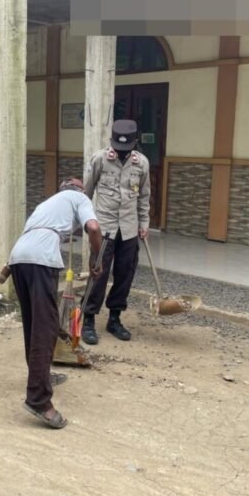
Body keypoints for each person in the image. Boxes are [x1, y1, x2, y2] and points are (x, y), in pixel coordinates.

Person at [8, 178, 103, 429]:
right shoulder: (79, 198)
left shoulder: (46, 205)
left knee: (33, 322)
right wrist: (95, 259)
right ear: (80, 191)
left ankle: (41, 375)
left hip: (17, 258)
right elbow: (93, 228)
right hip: (41, 259)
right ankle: (38, 400)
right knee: (46, 326)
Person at [81, 119, 151, 344]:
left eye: (126, 148)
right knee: (97, 273)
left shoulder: (142, 163)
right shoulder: (100, 159)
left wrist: (144, 223)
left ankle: (114, 318)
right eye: (118, 147)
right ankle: (88, 319)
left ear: (134, 143)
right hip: (104, 227)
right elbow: (87, 192)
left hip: (129, 229)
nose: (121, 152)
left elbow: (144, 196)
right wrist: (85, 221)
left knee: (125, 274)